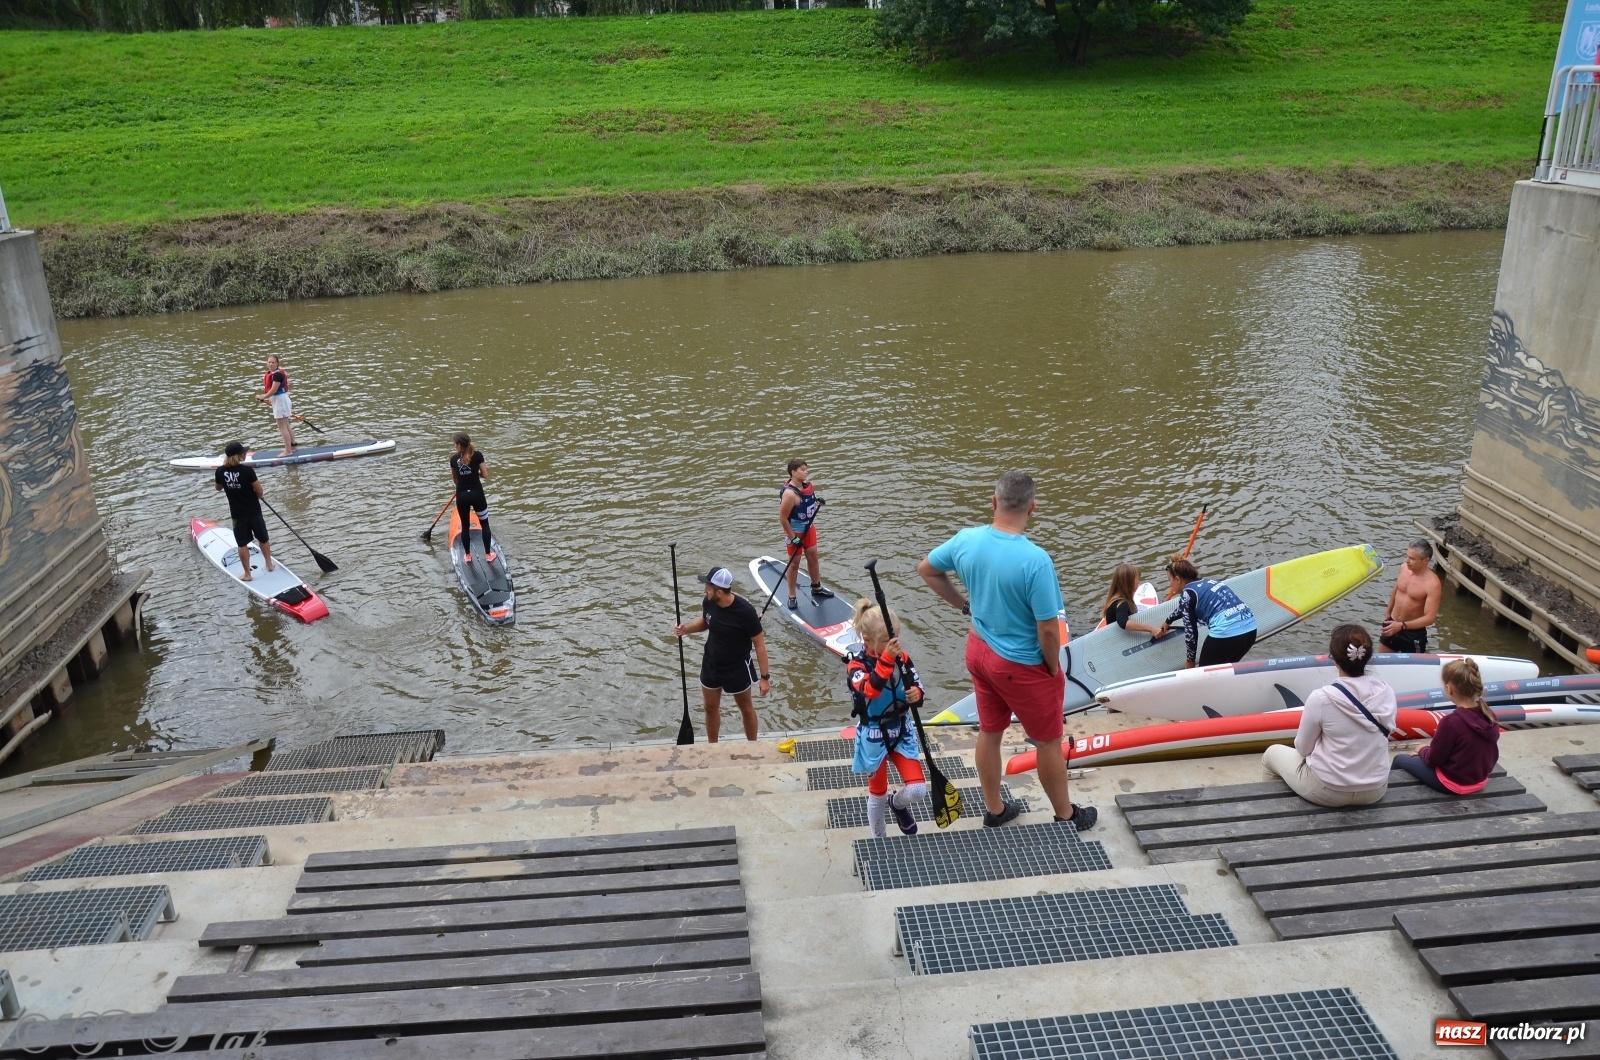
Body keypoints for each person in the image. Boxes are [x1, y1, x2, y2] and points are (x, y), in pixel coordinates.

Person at [918, 471, 1096, 831]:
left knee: (990, 730)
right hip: (1021, 665)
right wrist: (1051, 667)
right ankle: (1066, 816)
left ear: (994, 502)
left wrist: (964, 606)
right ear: (1032, 508)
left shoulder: (966, 540)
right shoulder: (1036, 561)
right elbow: (1047, 629)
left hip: (979, 651)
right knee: (1047, 741)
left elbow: (927, 570)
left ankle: (996, 809)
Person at [1262, 624, 1396, 807]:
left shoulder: (1321, 698)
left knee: (1270, 755)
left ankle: (1273, 811)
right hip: (1375, 789)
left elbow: (1302, 748)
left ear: (1334, 659)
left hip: (1329, 791)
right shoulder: (1386, 692)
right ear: (1367, 657)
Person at [845, 599, 928, 838]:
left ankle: (898, 804)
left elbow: (916, 684)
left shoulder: (903, 657)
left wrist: (916, 695)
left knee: (918, 790)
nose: (894, 645)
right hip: (873, 735)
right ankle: (878, 838)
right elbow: (870, 690)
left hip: (901, 730)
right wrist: (886, 660)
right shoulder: (856, 665)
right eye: (886, 641)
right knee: (877, 793)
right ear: (868, 641)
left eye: (896, 637)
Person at [673, 566, 771, 743]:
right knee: (710, 707)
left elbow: (760, 645)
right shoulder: (709, 602)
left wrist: (765, 677)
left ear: (719, 592)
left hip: (737, 668)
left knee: (746, 708)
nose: (704, 590)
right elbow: (706, 621)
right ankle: (713, 747)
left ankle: (752, 746)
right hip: (711, 664)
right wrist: (685, 629)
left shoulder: (746, 612)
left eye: (708, 587)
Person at [1391, 658, 1500, 795]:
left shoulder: (1451, 722)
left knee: (1399, 759)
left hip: (1454, 783)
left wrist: (1422, 750)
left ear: (1449, 689)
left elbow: (1433, 760)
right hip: (1479, 780)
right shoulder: (1489, 715)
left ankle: (1392, 797)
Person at [1161, 557, 1257, 667]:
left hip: (1227, 634)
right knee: (1225, 672)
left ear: (1178, 579)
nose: (1170, 584)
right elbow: (1186, 607)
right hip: (1250, 629)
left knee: (1205, 675)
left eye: (1170, 579)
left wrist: (1190, 660)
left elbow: (1190, 632)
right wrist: (1168, 621)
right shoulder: (1210, 582)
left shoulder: (1187, 593)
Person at [778, 458, 833, 611]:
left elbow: (808, 500)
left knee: (813, 556)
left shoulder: (808, 486)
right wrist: (793, 537)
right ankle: (791, 596)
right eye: (802, 469)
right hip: (794, 531)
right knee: (794, 563)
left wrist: (817, 500)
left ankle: (816, 587)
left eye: (806, 469)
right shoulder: (789, 494)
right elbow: (782, 519)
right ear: (793, 473)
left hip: (809, 528)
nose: (806, 472)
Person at [214, 441, 273, 581]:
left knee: (242, 544)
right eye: (243, 452)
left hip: (237, 514)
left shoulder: (220, 471)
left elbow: (218, 488)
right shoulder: (247, 471)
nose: (245, 453)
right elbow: (259, 491)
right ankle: (269, 564)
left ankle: (247, 574)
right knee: (263, 538)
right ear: (238, 455)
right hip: (254, 512)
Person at [1380, 539, 1442, 653]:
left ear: (1426, 560)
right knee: (1382, 663)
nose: (1407, 561)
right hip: (1392, 623)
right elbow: (1396, 589)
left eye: (1412, 558)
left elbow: (1430, 618)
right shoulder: (1404, 568)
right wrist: (1387, 614)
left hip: (1413, 633)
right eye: (1407, 556)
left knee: (1413, 669)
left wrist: (1402, 625)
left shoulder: (1433, 584)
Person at [449, 432, 495, 565]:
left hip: (462, 495)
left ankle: (468, 556)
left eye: (455, 444)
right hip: (477, 494)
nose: (454, 446)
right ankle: (488, 555)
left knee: (464, 525)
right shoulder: (478, 455)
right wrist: (475, 473)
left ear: (459, 445)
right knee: (484, 524)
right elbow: (485, 475)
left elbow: (455, 480)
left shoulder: (453, 459)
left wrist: (464, 478)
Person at [1101, 563, 1166, 638]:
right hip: (1119, 639)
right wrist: (1151, 629)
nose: (1139, 582)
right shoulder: (1121, 603)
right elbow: (1123, 622)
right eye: (1137, 579)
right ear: (1128, 582)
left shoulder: (1114, 598)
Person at [259, 355, 295, 456]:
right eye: (269, 362)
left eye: (273, 362)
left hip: (280, 401)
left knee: (281, 425)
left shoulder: (277, 375)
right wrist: (264, 396)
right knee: (286, 424)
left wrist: (263, 397)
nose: (270, 364)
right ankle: (293, 444)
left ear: (277, 363)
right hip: (281, 400)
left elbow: (274, 390)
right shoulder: (273, 373)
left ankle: (288, 451)